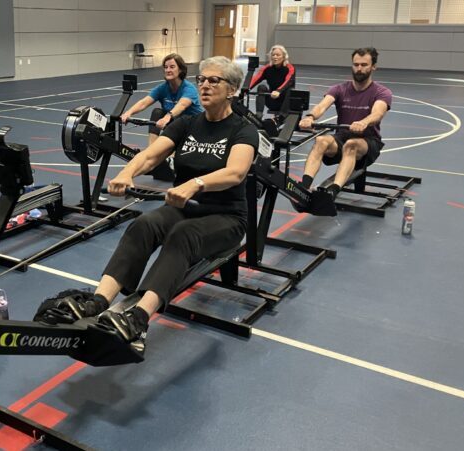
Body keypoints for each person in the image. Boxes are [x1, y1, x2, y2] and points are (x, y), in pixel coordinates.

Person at [36, 56, 258, 353]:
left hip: (226, 217)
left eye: (213, 80)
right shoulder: (188, 123)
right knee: (144, 224)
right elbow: (152, 155)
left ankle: (139, 316)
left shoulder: (242, 130)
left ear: (232, 90)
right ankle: (99, 300)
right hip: (183, 208)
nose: (204, 85)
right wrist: (126, 172)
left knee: (183, 236)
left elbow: (236, 172)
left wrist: (196, 183)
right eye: (201, 79)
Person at [296, 47, 392, 209]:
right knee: (321, 140)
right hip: (342, 138)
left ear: (373, 67)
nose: (359, 69)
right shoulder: (339, 89)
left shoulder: (382, 92)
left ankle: (332, 192)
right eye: (356, 65)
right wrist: (310, 117)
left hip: (368, 142)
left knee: (351, 145)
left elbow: (378, 113)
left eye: (364, 65)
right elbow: (322, 106)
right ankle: (304, 188)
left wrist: (365, 122)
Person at [119, 53, 204, 145]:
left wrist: (167, 117)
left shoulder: (188, 88)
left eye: (172, 67)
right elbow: (144, 102)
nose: (168, 70)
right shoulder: (162, 88)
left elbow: (182, 105)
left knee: (181, 118)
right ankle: (152, 148)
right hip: (177, 123)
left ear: (180, 69)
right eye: (166, 67)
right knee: (157, 112)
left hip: (194, 125)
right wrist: (128, 113)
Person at [248, 44, 296, 123]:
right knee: (261, 87)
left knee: (290, 90)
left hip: (285, 103)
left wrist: (278, 91)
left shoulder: (289, 68)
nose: (275, 57)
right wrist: (245, 89)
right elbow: (256, 79)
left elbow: (288, 81)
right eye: (273, 55)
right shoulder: (267, 68)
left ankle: (281, 117)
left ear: (284, 56)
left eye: (278, 55)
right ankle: (258, 115)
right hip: (272, 100)